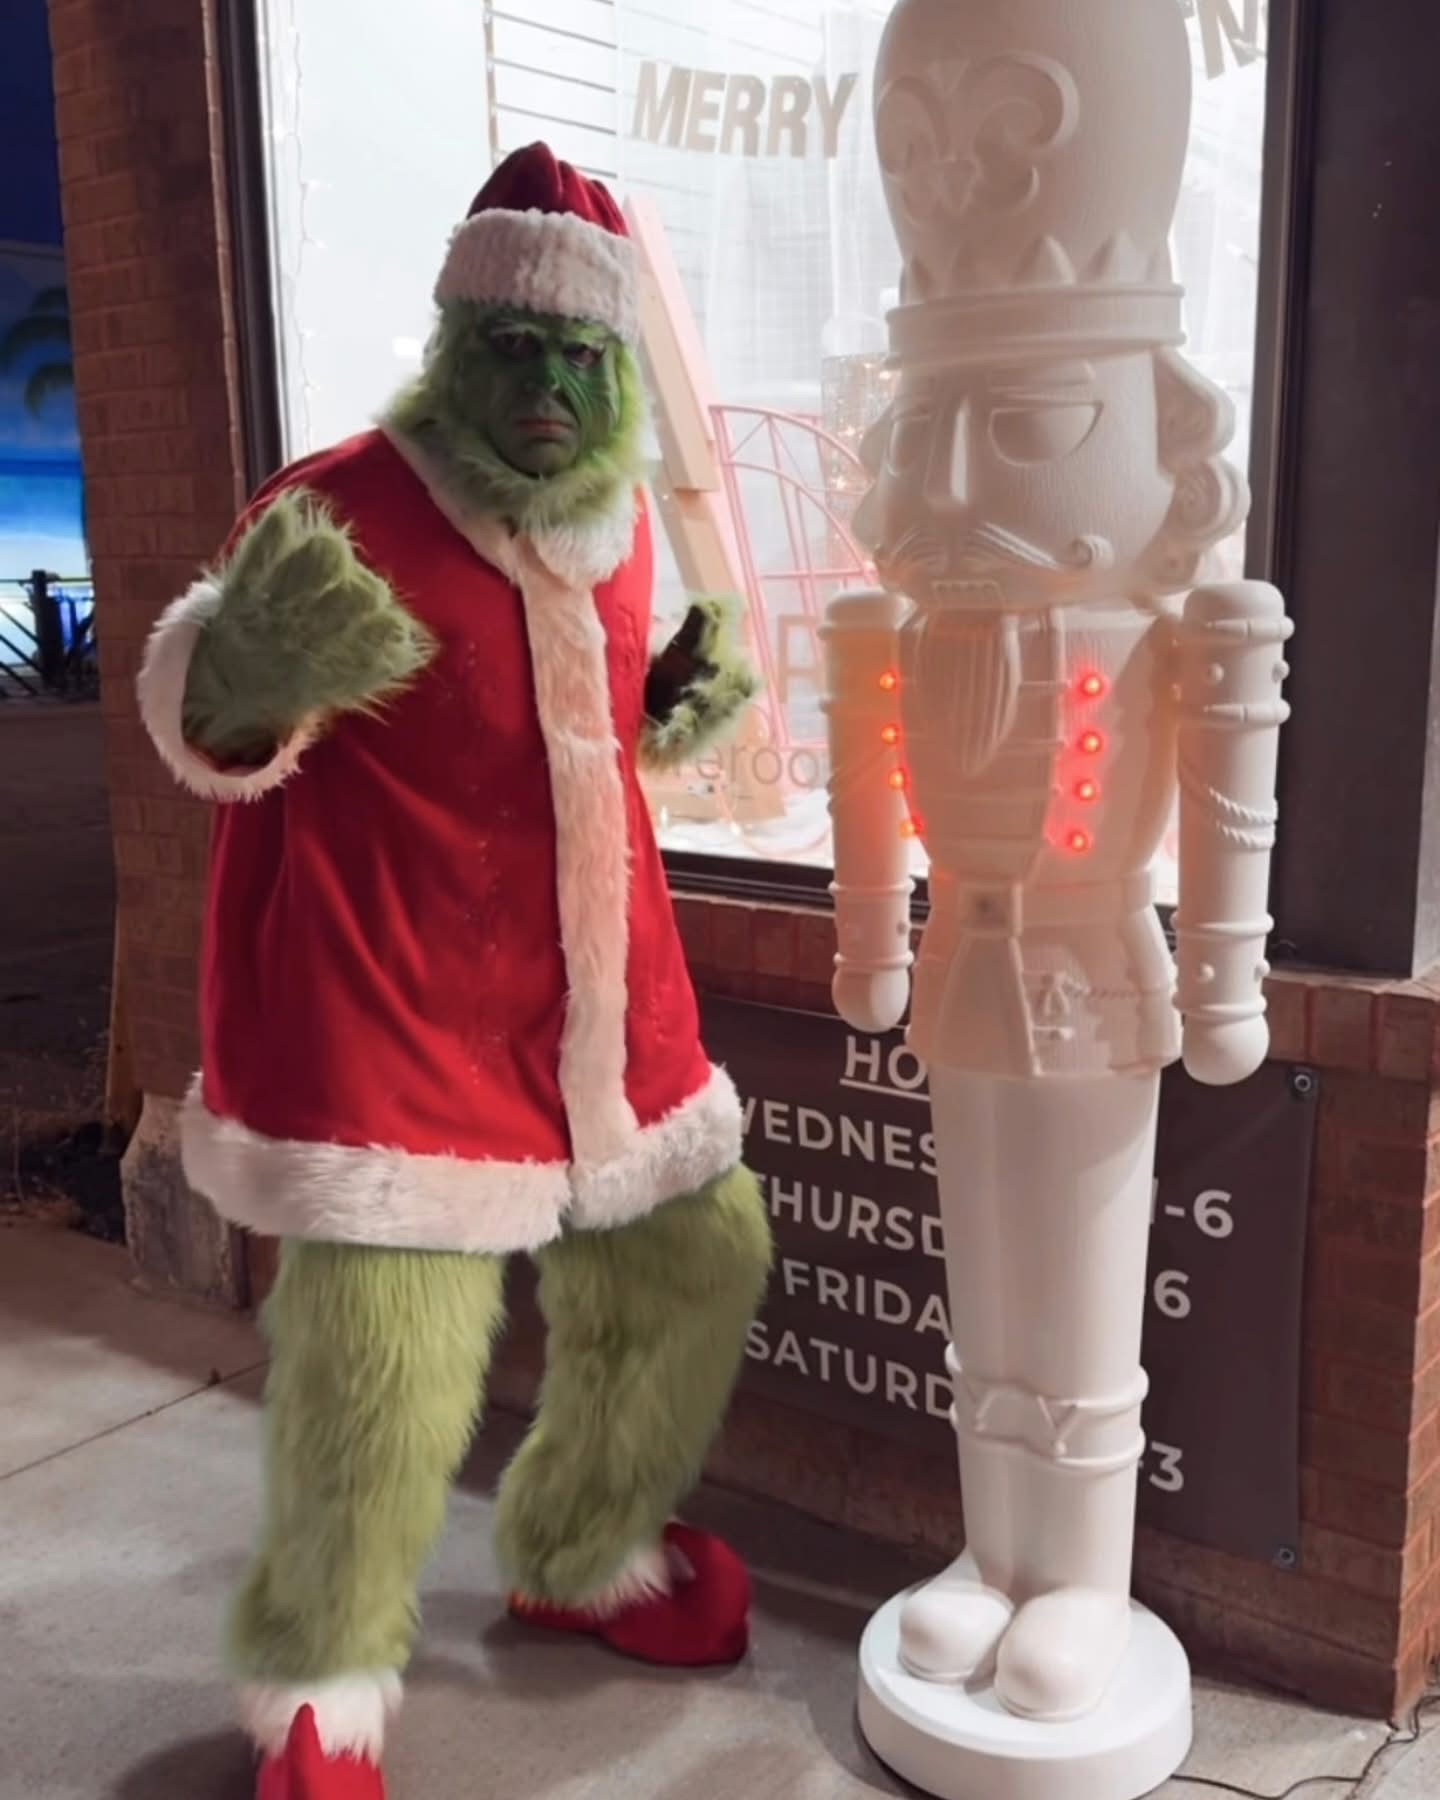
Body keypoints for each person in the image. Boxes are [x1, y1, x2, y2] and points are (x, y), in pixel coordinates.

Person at [136, 141, 771, 1800]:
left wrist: (662, 711)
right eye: (517, 350)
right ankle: (323, 1683)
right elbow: (211, 728)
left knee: (696, 1258)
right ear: (453, 343)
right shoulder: (334, 503)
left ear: (617, 366)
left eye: (582, 357)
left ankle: (581, 1545)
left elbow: (549, 732)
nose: (551, 388)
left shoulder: (623, 528)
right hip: (394, 1021)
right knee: (386, 1368)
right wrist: (235, 676)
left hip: (602, 1014)